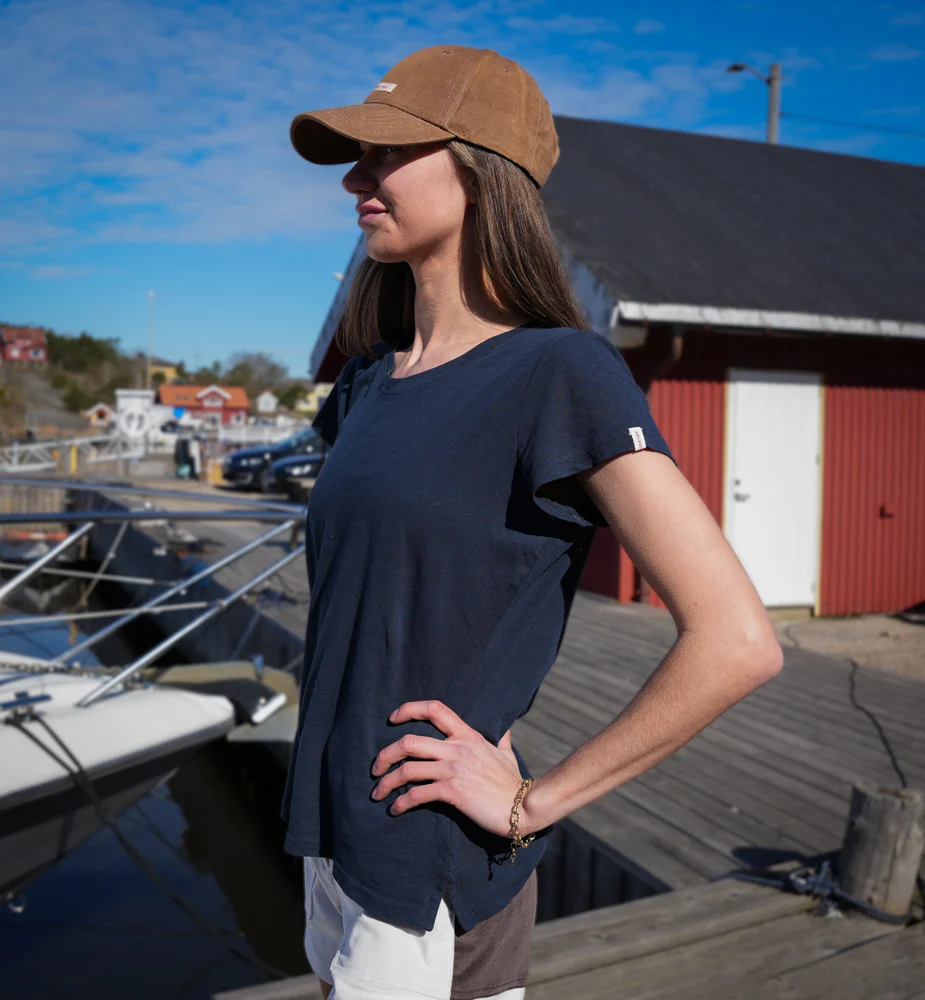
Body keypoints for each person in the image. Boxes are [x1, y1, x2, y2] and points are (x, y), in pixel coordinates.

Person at [282, 44, 784, 1000]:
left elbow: (736, 641)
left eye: (387, 153)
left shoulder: (559, 373)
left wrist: (530, 801)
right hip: (333, 833)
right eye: (357, 156)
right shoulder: (366, 382)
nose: (355, 179)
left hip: (425, 868)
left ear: (480, 173)